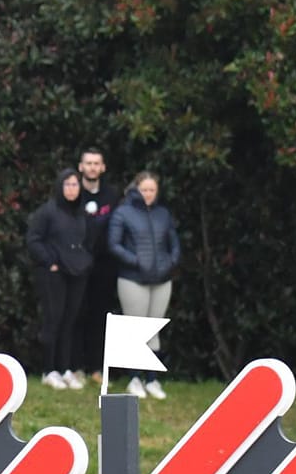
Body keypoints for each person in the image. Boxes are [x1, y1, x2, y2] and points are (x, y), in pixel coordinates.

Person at [106, 170, 181, 400]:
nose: (148, 194)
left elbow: (174, 243)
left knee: (154, 328)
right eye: (144, 189)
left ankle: (152, 380)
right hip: (133, 279)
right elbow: (114, 244)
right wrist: (136, 262)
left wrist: (170, 262)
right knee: (136, 330)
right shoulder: (123, 213)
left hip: (161, 280)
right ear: (137, 189)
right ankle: (134, 379)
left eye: (152, 190)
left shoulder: (163, 214)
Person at [24, 168, 94, 390]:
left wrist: (85, 261)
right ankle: (49, 370)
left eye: (75, 185)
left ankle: (65, 369)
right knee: (53, 320)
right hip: (53, 274)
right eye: (68, 185)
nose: (72, 189)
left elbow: (88, 240)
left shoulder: (81, 213)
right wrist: (49, 261)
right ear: (60, 186)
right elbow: (34, 240)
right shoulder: (47, 212)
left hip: (77, 272)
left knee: (69, 321)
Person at [72, 147, 122, 382]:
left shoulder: (112, 196)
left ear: (103, 168)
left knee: (100, 318)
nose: (92, 167)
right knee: (75, 314)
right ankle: (75, 367)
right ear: (81, 167)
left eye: (96, 163)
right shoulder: (71, 193)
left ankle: (96, 369)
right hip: (76, 266)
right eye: (88, 163)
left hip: (104, 267)